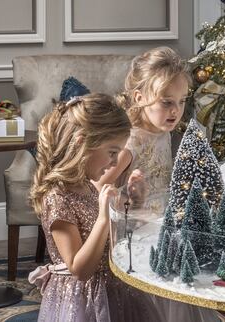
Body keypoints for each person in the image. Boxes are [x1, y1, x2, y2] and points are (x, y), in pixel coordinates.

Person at [29, 93, 153, 321]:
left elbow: (114, 241)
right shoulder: (57, 198)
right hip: (82, 302)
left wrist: (136, 203)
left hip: (113, 290)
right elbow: (80, 269)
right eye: (112, 152)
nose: (116, 163)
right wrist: (103, 219)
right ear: (82, 143)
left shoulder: (88, 186)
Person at [99, 46, 190, 206]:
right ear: (139, 98)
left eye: (181, 101)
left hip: (160, 223)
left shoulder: (164, 132)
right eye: (166, 102)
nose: (176, 110)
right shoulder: (130, 142)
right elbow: (97, 186)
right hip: (132, 226)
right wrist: (126, 197)